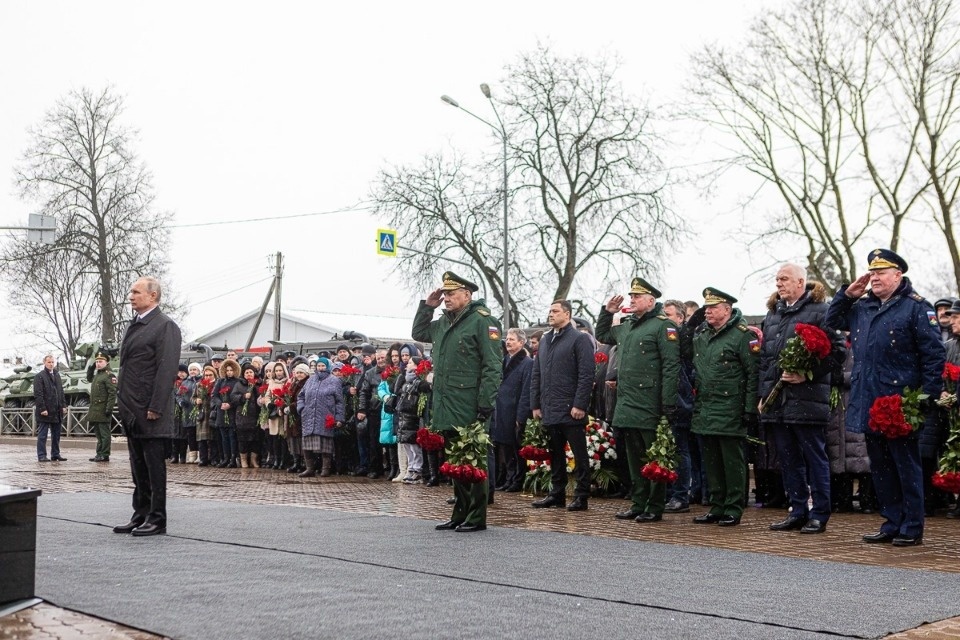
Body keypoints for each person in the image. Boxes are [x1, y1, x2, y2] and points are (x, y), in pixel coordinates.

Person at [824, 249, 945, 546]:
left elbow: (933, 356)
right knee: (880, 468)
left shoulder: (916, 308)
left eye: (881, 273)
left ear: (898, 275)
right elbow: (832, 320)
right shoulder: (862, 307)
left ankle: (912, 526)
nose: (874, 277)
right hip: (869, 401)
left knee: (906, 467)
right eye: (871, 273)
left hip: (900, 404)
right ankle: (892, 522)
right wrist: (847, 294)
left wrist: (923, 400)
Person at [412, 271, 502, 533]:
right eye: (445, 294)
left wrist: (485, 403)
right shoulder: (442, 323)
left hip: (470, 402)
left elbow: (493, 366)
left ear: (467, 295)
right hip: (446, 401)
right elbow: (418, 332)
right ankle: (459, 513)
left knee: (473, 460)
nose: (447, 298)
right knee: (455, 460)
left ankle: (476, 516)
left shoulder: (483, 322)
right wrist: (427, 306)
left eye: (451, 294)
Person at [759, 265, 845, 534]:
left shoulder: (823, 310)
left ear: (801, 282)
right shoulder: (774, 314)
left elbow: (837, 354)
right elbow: (765, 360)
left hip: (808, 399)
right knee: (787, 458)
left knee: (814, 458)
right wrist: (763, 396)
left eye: (784, 279)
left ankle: (819, 513)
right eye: (776, 280)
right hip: (779, 401)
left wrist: (806, 375)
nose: (779, 284)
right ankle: (797, 510)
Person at [595, 278, 681, 523]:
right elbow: (602, 334)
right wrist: (607, 311)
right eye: (631, 296)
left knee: (653, 456)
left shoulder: (663, 326)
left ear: (651, 301)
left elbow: (671, 366)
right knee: (633, 457)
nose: (631, 300)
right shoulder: (627, 325)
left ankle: (654, 505)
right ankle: (638, 502)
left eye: (637, 296)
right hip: (627, 402)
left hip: (650, 403)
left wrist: (667, 402)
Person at [112, 277, 183, 537]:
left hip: (150, 409)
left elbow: (166, 370)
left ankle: (157, 518)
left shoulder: (164, 326)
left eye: (136, 292)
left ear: (152, 296)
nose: (130, 296)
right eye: (131, 291)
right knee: (137, 466)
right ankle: (140, 513)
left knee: (154, 467)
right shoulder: (136, 324)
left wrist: (156, 405)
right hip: (132, 408)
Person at [689, 288, 759, 527]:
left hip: (731, 408)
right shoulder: (702, 336)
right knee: (712, 461)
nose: (707, 311)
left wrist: (749, 409)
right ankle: (717, 505)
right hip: (706, 408)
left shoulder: (742, 336)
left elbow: (752, 374)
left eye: (713, 307)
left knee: (732, 462)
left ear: (727, 310)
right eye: (706, 307)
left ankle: (733, 507)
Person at [530, 299, 596, 512]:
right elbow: (537, 373)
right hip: (550, 407)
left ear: (567, 315)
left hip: (570, 408)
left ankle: (581, 495)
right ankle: (557, 493)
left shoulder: (579, 339)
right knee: (555, 452)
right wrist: (536, 404)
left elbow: (586, 374)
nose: (551, 314)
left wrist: (580, 404)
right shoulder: (546, 339)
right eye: (549, 311)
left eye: (555, 311)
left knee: (579, 453)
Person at [492, 328, 533, 493]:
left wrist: (521, 415)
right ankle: (508, 478)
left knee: (515, 447)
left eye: (512, 339)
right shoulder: (504, 360)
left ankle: (517, 479)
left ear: (521, 343)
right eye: (507, 339)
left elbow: (526, 390)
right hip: (501, 409)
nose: (508, 342)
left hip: (515, 410)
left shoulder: (528, 363)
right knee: (504, 447)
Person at [297, 357, 344, 477]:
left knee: (325, 445)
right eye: (319, 366)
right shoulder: (310, 380)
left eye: (323, 366)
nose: (321, 368)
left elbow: (339, 401)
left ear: (327, 366)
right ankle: (310, 468)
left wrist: (339, 418)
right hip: (309, 416)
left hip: (326, 416)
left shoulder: (334, 381)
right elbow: (301, 396)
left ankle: (326, 468)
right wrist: (302, 408)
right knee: (307, 444)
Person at [34, 354, 67, 462]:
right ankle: (42, 455)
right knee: (43, 435)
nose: (51, 364)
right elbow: (38, 394)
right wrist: (42, 408)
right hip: (46, 410)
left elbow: (61, 392)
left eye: (53, 362)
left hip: (56, 410)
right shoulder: (39, 376)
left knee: (56, 434)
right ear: (44, 363)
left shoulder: (57, 375)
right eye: (49, 362)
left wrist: (63, 406)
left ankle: (55, 454)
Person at [87, 350, 117, 463]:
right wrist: (90, 368)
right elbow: (89, 379)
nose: (98, 363)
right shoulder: (98, 375)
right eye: (97, 361)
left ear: (106, 362)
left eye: (100, 361)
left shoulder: (109, 375)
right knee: (98, 434)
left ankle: (104, 454)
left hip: (103, 409)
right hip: (95, 410)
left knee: (104, 434)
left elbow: (112, 393)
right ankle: (99, 453)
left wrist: (109, 408)